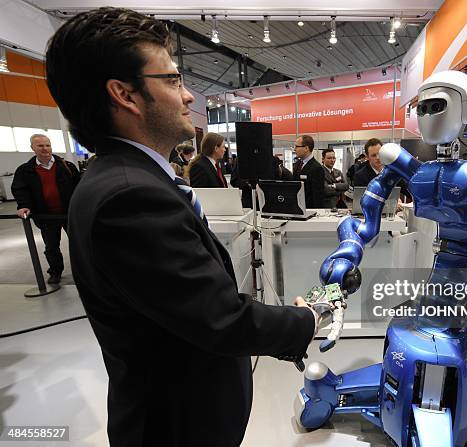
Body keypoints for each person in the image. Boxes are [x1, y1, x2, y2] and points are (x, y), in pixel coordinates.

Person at [45, 8, 318, 447]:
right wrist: (305, 319)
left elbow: (188, 301)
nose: (189, 96)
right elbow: (221, 318)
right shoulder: (129, 196)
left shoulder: (128, 180)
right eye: (172, 81)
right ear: (124, 94)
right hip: (176, 427)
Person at [11, 134, 79, 284]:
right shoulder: (25, 170)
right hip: (46, 216)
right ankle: (55, 271)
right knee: (51, 247)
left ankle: (83, 270)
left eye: (47, 145)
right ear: (32, 148)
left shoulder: (67, 166)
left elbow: (79, 187)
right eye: (40, 146)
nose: (45, 149)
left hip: (69, 214)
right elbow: (20, 189)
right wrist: (23, 205)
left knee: (78, 244)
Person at [293, 134, 325, 208]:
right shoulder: (297, 164)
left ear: (306, 148)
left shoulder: (317, 168)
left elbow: (318, 196)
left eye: (297, 146)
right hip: (297, 207)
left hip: (309, 210)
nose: (294, 149)